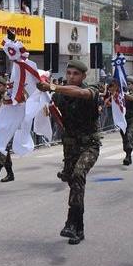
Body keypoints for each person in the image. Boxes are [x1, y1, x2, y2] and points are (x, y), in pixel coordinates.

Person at [38, 60, 101, 245]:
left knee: (78, 175)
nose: (71, 77)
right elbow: (58, 116)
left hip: (89, 145)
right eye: (69, 73)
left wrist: (51, 86)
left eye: (75, 74)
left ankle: (70, 222)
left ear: (83, 76)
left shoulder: (92, 90)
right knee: (74, 183)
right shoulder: (60, 95)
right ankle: (77, 228)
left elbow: (80, 93)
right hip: (70, 147)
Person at [115, 79, 133, 166]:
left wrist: (122, 94)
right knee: (125, 137)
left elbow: (132, 98)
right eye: (127, 83)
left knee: (129, 134)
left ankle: (128, 155)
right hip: (123, 120)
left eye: (129, 83)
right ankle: (128, 154)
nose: (127, 85)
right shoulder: (121, 93)